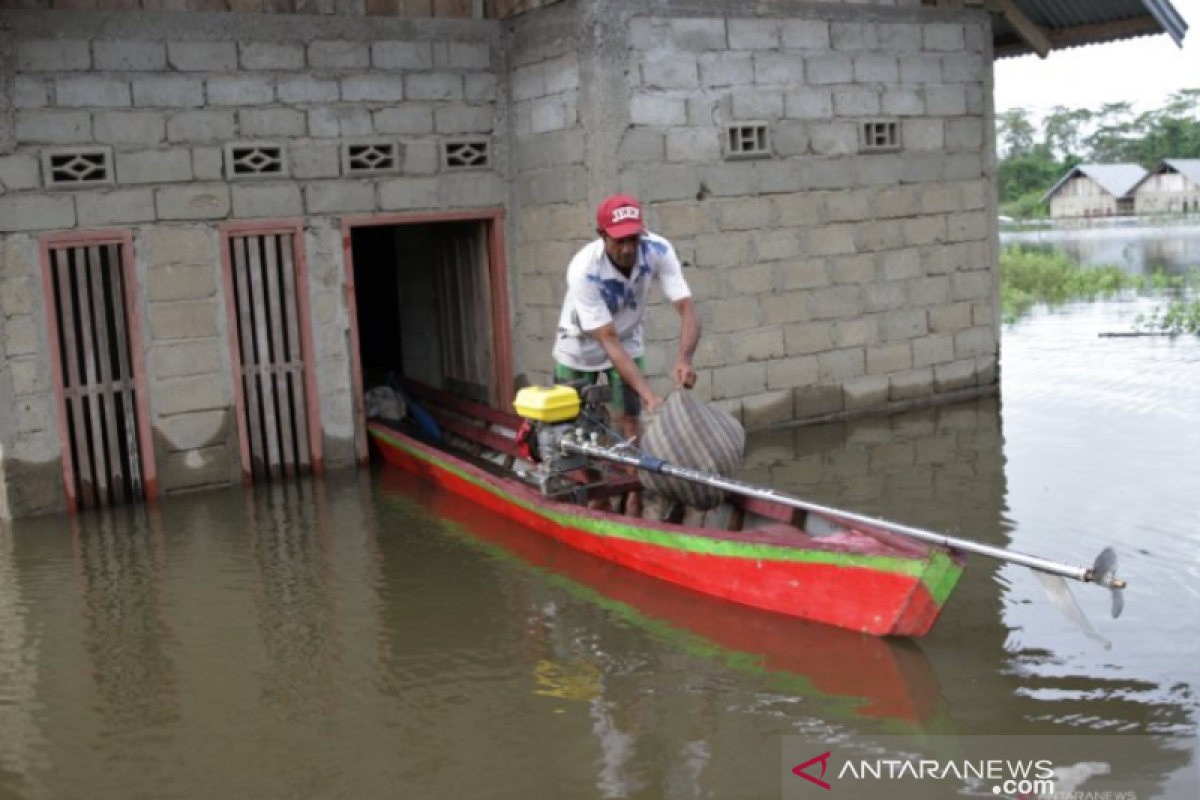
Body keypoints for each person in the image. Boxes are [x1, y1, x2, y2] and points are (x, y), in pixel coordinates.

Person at [552, 193, 701, 440]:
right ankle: (587, 477)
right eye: (619, 241)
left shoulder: (658, 250)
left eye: (634, 239)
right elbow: (608, 338)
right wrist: (650, 396)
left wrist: (685, 358)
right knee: (573, 428)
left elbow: (687, 306)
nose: (628, 248)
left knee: (631, 420)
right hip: (579, 343)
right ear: (602, 235)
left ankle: (633, 477)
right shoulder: (584, 269)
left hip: (627, 338)